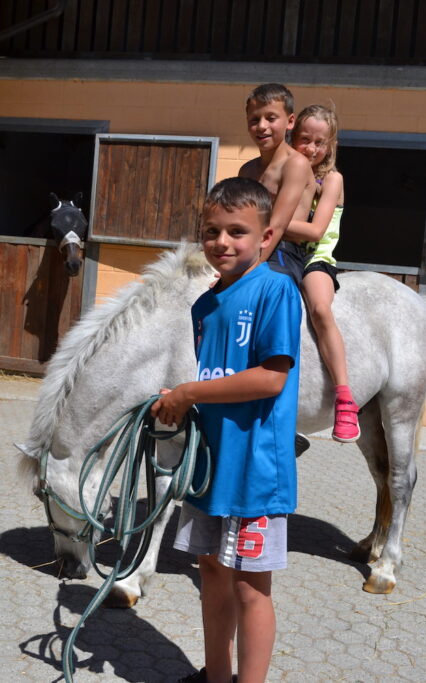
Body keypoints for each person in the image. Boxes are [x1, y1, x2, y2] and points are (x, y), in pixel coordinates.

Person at [152, 177, 301, 683]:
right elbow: (215, 379)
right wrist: (174, 402)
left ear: (266, 236)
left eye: (237, 231)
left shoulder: (276, 289)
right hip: (210, 466)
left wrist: (188, 392)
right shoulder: (204, 304)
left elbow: (271, 377)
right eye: (211, 231)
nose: (222, 242)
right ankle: (217, 675)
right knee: (212, 573)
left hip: (255, 470)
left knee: (250, 588)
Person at [286, 104, 360, 442]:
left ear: (330, 145)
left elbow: (316, 231)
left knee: (319, 307)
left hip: (316, 257)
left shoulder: (332, 179)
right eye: (305, 140)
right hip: (285, 253)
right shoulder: (288, 171)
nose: (312, 149)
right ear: (293, 136)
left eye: (320, 142)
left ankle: (344, 397)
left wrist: (266, 225)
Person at [237, 83, 316, 289]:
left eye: (271, 118)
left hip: (283, 249)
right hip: (249, 244)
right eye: (254, 120)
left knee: (273, 284)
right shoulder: (247, 170)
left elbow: (278, 225)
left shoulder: (295, 164)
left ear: (290, 121)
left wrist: (249, 268)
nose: (262, 126)